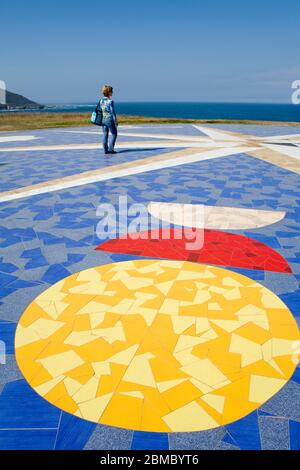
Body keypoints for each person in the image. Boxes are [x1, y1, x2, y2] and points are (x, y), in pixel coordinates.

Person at [99, 85, 118, 154]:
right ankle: (111, 149)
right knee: (114, 134)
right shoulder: (110, 101)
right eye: (111, 91)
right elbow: (112, 111)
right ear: (109, 92)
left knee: (105, 134)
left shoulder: (101, 101)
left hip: (103, 120)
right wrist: (115, 120)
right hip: (109, 119)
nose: (112, 92)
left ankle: (105, 150)